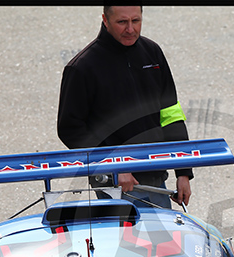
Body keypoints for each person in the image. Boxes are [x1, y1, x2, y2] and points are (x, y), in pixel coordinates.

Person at [57, 5, 193, 209]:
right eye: (122, 22)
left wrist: (183, 172)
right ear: (105, 19)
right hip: (114, 184)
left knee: (161, 241)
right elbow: (70, 128)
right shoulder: (82, 68)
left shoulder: (152, 53)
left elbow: (171, 114)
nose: (130, 29)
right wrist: (114, 166)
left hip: (156, 176)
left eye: (136, 21)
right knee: (126, 242)